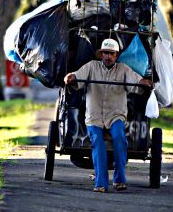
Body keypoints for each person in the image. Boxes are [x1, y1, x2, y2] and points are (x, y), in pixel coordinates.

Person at [64, 38, 152, 193]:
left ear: (116, 55)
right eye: (105, 53)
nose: (108, 57)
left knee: (119, 138)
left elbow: (137, 82)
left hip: (116, 115)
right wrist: (70, 77)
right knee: (97, 143)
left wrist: (144, 83)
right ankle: (100, 183)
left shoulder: (123, 69)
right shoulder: (91, 66)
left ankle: (119, 180)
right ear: (101, 54)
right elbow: (76, 76)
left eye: (111, 54)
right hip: (94, 116)